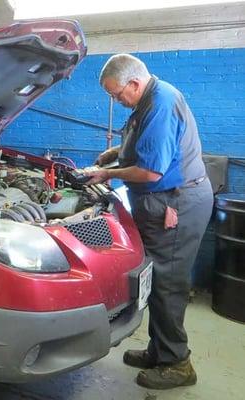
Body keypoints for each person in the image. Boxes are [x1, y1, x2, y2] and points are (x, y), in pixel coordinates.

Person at [85, 54, 214, 390]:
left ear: (134, 83)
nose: (116, 100)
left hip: (176, 204)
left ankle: (177, 363)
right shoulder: (148, 100)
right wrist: (115, 152)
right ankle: (160, 350)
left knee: (168, 284)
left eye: (117, 95)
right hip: (164, 201)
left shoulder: (160, 104)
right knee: (155, 280)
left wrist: (106, 173)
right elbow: (143, 143)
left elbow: (151, 170)